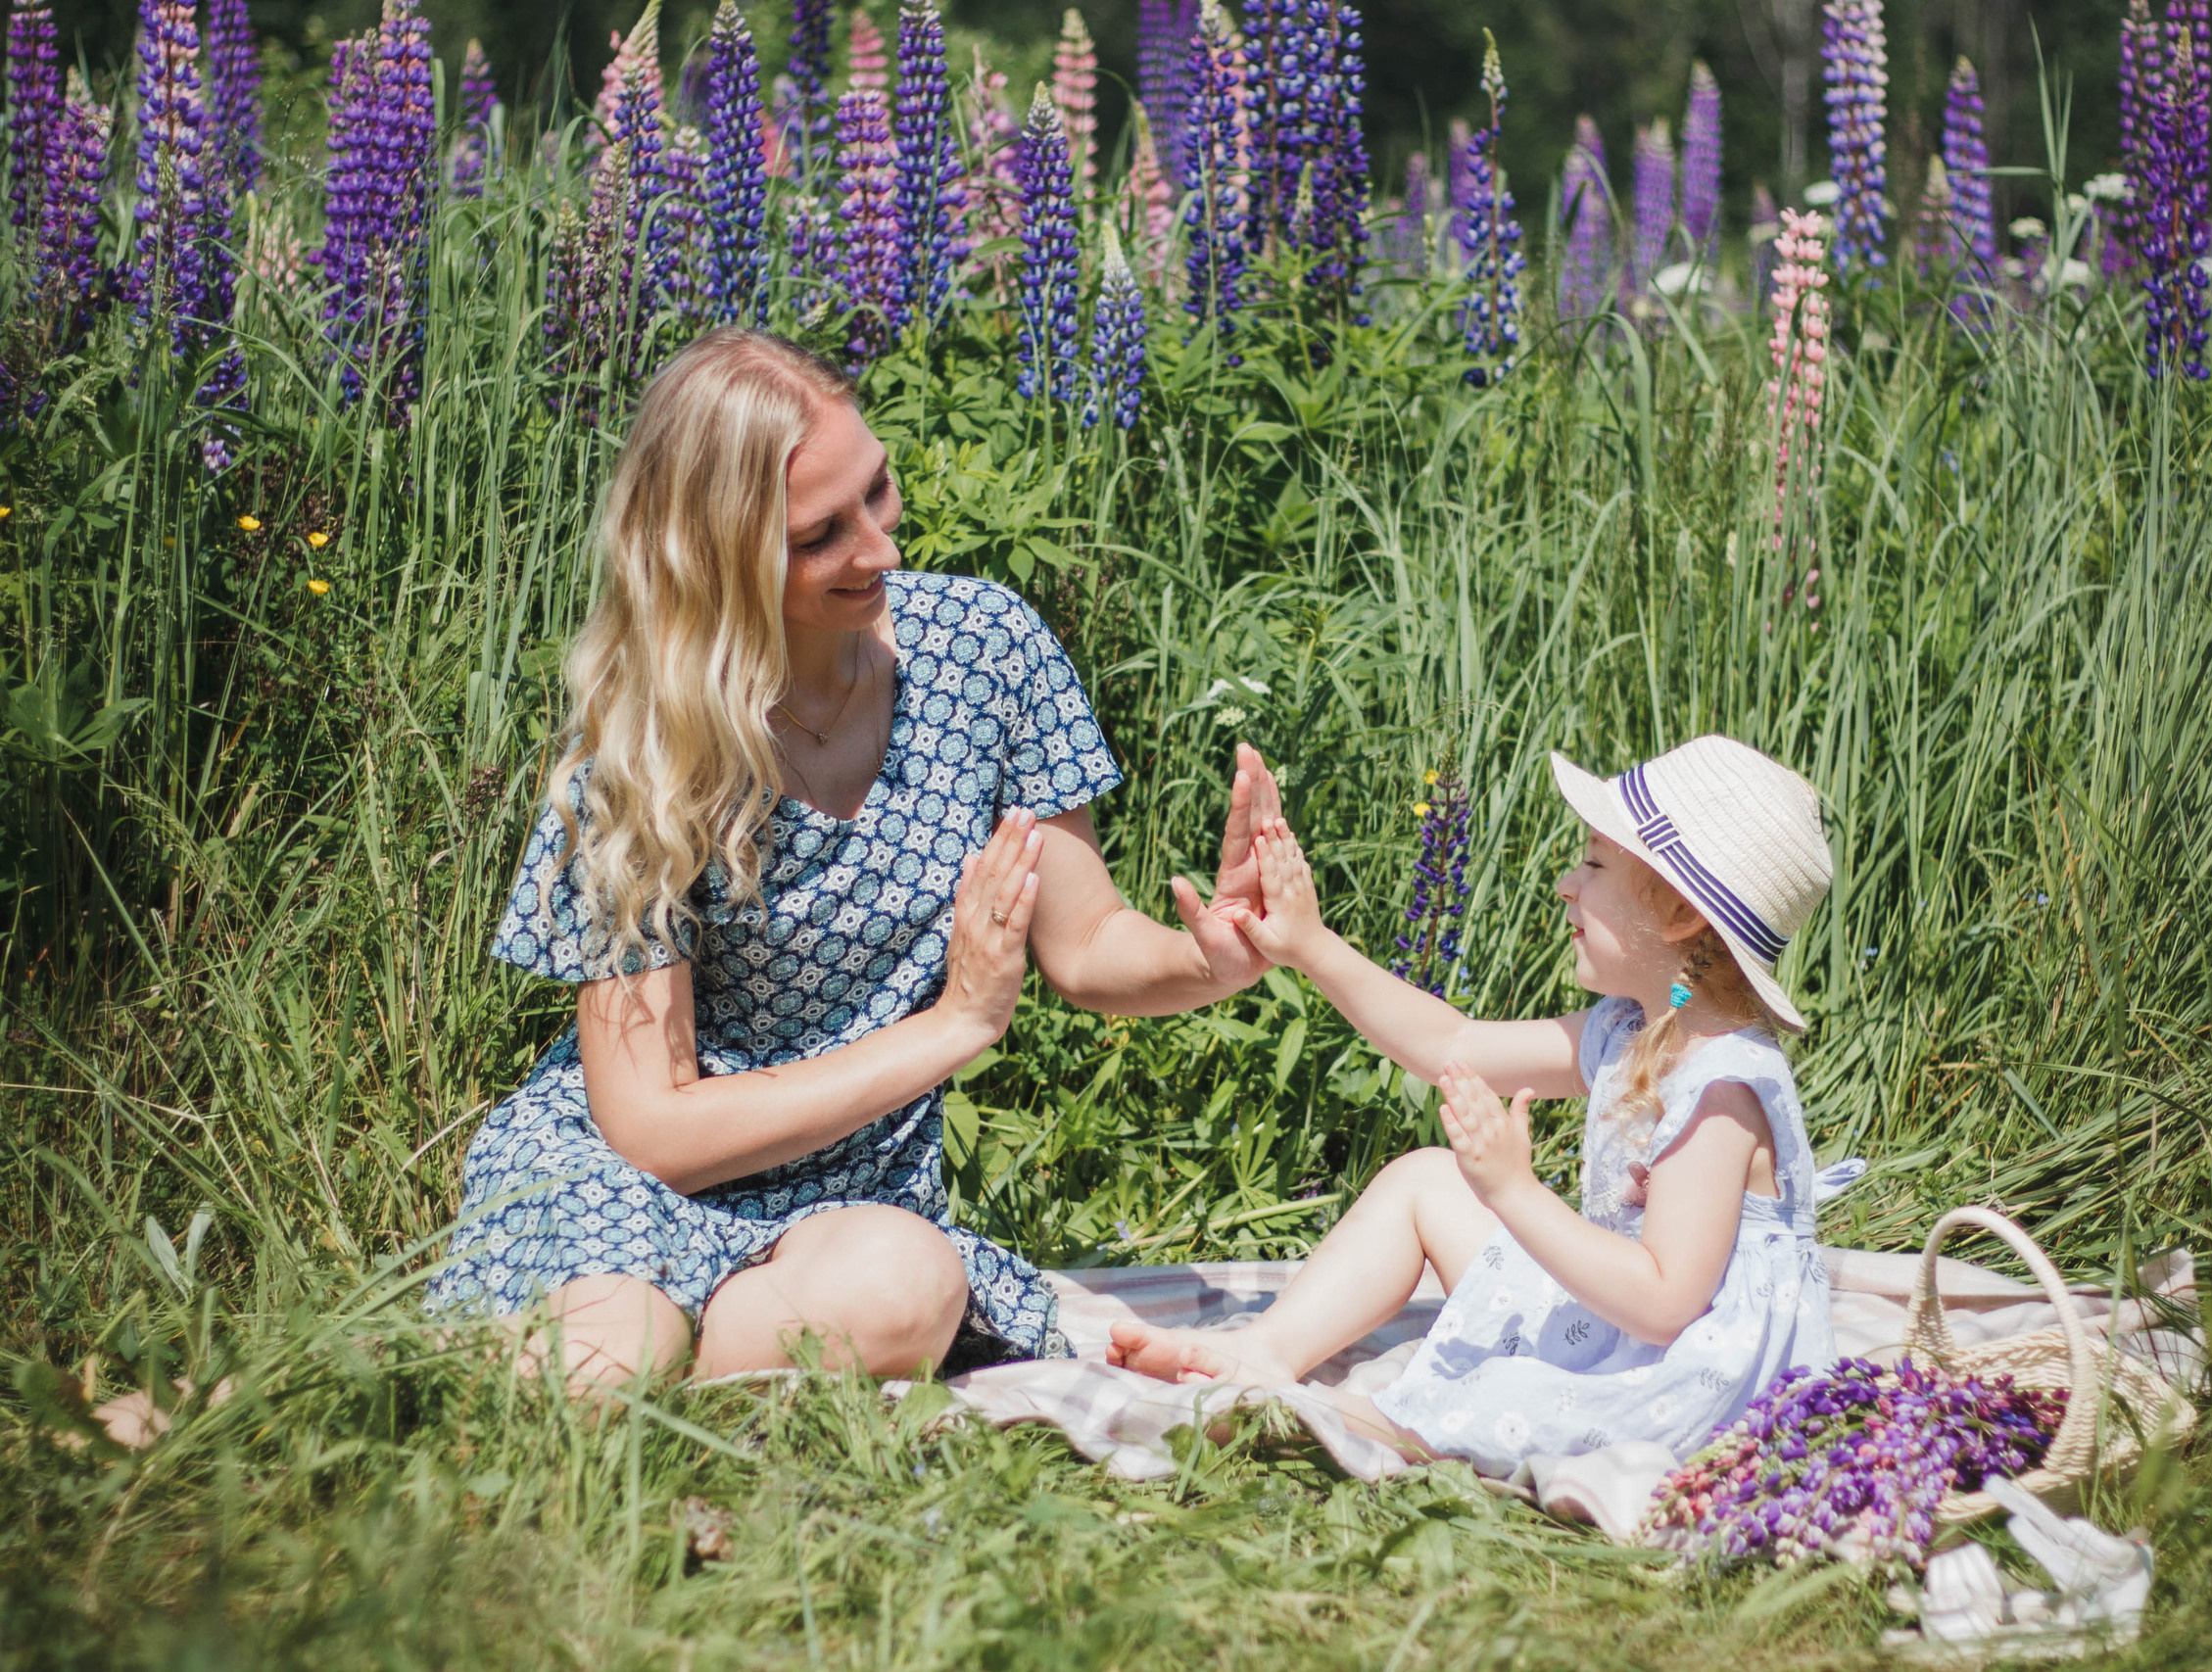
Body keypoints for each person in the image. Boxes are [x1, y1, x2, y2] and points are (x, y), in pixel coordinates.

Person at [425, 328, 1284, 1389]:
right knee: (615, 1353)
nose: (878, 549)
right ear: (717, 562)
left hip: (849, 1195)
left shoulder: (984, 647)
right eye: (819, 534)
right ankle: (449, 1380)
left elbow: (1089, 941)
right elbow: (651, 1126)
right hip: (626, 1177)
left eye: (876, 492)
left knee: (902, 1292)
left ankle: (623, 1386)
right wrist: (953, 1028)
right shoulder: (640, 753)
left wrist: (1215, 959)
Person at [1107, 736, 1862, 1475]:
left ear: (1677, 916)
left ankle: (1316, 1417)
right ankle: (1265, 1352)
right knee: (1427, 1179)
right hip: (1615, 1321)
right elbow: (1452, 1043)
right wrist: (1309, 944)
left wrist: (1514, 1190)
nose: (1568, 882)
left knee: (1488, 1398)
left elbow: (1666, 1302)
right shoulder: (1632, 1029)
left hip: (1683, 1374)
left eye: (1594, 864)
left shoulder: (1721, 1089)